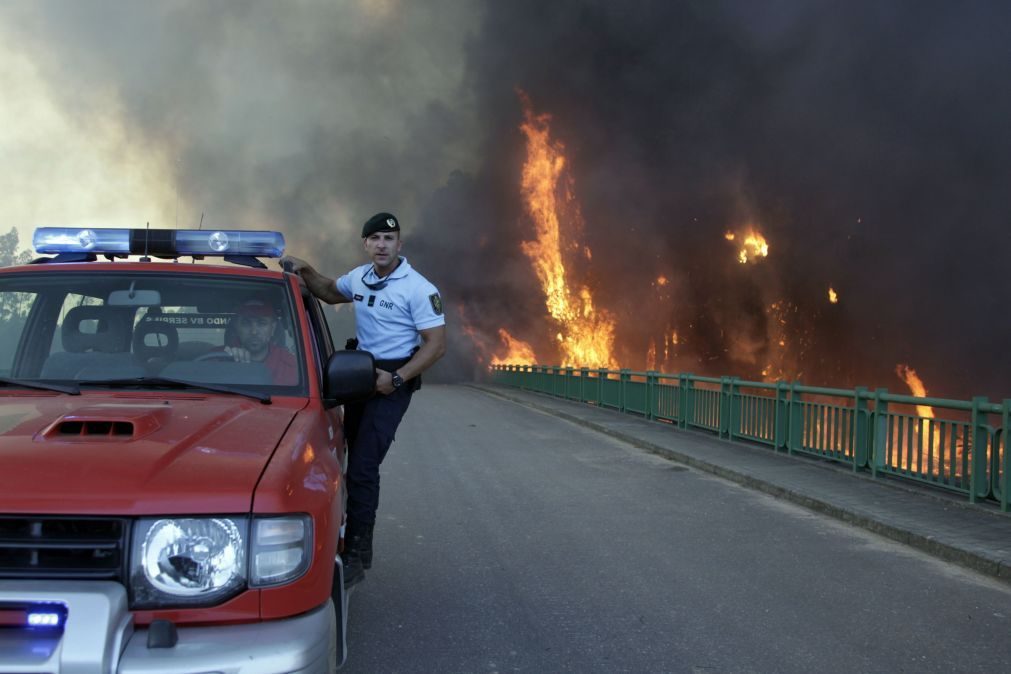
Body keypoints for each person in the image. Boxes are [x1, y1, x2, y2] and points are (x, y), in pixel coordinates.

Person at [282, 212, 446, 587]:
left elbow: (436, 346)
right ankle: (340, 536)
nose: (382, 245)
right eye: (375, 238)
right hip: (360, 374)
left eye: (389, 239)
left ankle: (357, 554)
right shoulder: (360, 277)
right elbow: (327, 291)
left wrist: (398, 378)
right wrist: (307, 270)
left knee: (363, 467)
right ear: (366, 244)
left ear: (399, 245)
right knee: (341, 455)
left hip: (393, 380)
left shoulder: (419, 289)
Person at [222, 298, 298, 385]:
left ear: (272, 328)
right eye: (246, 323)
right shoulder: (218, 359)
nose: (254, 331)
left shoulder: (290, 365)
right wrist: (228, 362)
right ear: (237, 328)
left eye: (262, 323)